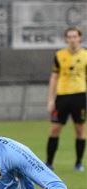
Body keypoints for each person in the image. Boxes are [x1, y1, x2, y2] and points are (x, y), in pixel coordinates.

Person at [46, 27, 87, 172]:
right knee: (55, 129)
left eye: (75, 36)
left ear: (80, 38)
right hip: (62, 97)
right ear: (66, 39)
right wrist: (51, 100)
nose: (72, 39)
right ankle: (49, 163)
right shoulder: (59, 55)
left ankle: (78, 163)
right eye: (69, 37)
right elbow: (54, 77)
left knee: (80, 130)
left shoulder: (85, 55)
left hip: (79, 96)